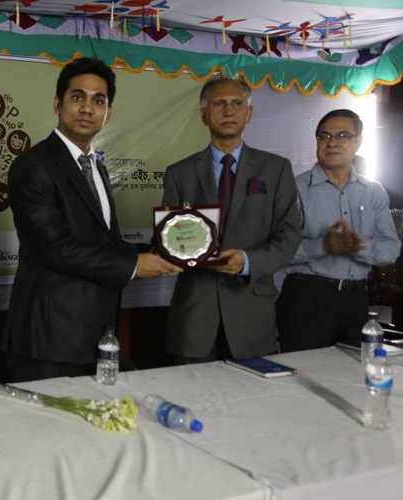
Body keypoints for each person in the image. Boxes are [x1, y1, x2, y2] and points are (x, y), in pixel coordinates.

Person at [2, 57, 182, 382]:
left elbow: (103, 242)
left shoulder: (95, 166)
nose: (87, 108)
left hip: (96, 333)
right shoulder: (34, 165)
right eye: (78, 97)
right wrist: (133, 264)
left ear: (108, 113)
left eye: (98, 101)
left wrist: (162, 249)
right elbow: (54, 248)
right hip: (49, 338)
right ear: (58, 104)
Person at [161, 77, 301, 363]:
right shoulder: (179, 173)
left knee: (251, 392)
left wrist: (247, 261)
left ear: (248, 113)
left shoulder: (275, 169)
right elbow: (170, 237)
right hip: (195, 315)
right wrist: (169, 250)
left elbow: (289, 235)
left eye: (237, 103)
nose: (228, 111)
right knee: (192, 389)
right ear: (203, 115)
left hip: (252, 311)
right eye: (219, 104)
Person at [277, 109, 401, 352]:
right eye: (324, 136)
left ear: (358, 142)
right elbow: (277, 251)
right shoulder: (294, 189)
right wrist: (322, 246)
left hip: (356, 301)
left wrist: (359, 246)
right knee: (305, 373)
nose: (332, 142)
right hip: (306, 298)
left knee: (353, 371)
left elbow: (390, 249)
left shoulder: (373, 192)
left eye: (342, 135)